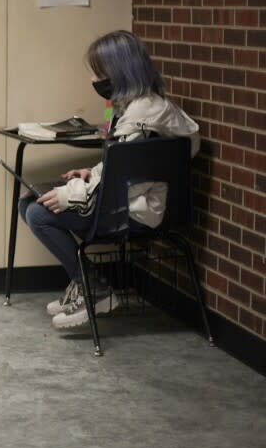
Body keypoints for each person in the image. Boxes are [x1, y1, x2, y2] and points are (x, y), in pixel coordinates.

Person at [18, 30, 201, 330]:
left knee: (38, 213)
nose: (93, 81)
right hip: (133, 199)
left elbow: (125, 175)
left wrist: (69, 195)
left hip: (136, 213)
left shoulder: (141, 116)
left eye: (98, 73)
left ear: (120, 71)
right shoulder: (144, 106)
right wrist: (93, 172)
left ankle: (93, 287)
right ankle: (87, 283)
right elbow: (127, 165)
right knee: (27, 203)